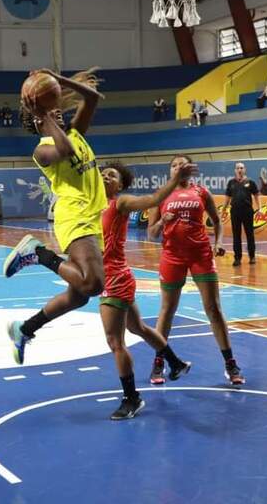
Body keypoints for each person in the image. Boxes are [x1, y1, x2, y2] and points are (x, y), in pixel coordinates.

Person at [3, 68, 107, 365]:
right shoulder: (42, 150)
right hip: (74, 216)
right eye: (51, 112)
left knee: (78, 296)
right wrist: (43, 117)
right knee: (93, 284)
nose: (58, 112)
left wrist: (58, 80)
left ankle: (25, 329)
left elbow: (93, 97)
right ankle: (37, 253)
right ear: (40, 122)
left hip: (93, 217)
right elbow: (65, 148)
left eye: (57, 109)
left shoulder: (74, 132)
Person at [99, 160, 195, 419]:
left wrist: (175, 180)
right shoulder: (91, 206)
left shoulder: (120, 203)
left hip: (115, 278)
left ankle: (132, 399)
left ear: (121, 185)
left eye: (112, 176)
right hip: (114, 275)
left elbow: (152, 199)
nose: (106, 177)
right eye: (103, 174)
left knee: (115, 341)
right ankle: (175, 363)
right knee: (137, 328)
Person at [147, 155, 245, 386]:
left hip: (201, 255)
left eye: (182, 164)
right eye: (173, 165)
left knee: (213, 308)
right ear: (169, 171)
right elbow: (151, 233)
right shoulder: (160, 196)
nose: (178, 167)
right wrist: (163, 222)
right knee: (167, 310)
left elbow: (217, 221)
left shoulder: (202, 192)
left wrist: (218, 243)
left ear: (190, 169)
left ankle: (230, 363)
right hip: (172, 257)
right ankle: (159, 362)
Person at [225, 162, 259, 266]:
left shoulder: (250, 182)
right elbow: (227, 198)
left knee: (250, 234)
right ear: (235, 170)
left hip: (247, 211)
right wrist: (223, 210)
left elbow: (256, 195)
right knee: (236, 235)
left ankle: (252, 256)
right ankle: (237, 258)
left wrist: (260, 207)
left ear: (245, 170)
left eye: (241, 168)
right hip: (235, 212)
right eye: (238, 168)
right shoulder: (231, 183)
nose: (240, 170)